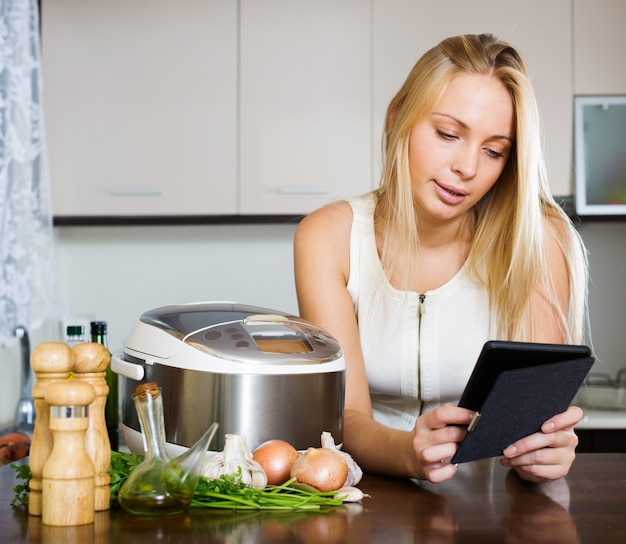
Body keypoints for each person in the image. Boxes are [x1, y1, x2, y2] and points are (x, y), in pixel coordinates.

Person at [293, 34, 589, 484]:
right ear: (398, 119)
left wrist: (546, 452)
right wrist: (410, 453)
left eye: (494, 151)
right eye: (449, 134)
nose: (468, 167)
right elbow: (346, 420)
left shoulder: (539, 238)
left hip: (491, 514)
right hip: (371, 502)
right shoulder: (328, 237)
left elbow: (534, 421)